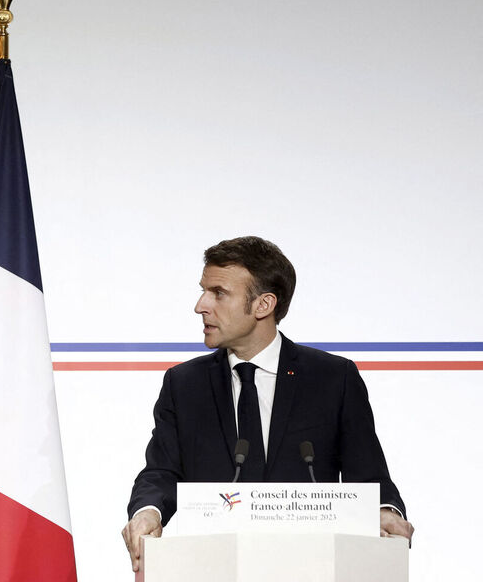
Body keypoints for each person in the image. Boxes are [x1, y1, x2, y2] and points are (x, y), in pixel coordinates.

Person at [120, 236, 413, 573]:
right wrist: (147, 512)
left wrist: (387, 511)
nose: (201, 305)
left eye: (218, 293)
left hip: (311, 568)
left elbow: (371, 478)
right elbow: (161, 472)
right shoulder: (183, 384)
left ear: (263, 305)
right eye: (203, 290)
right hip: (211, 569)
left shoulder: (333, 378)